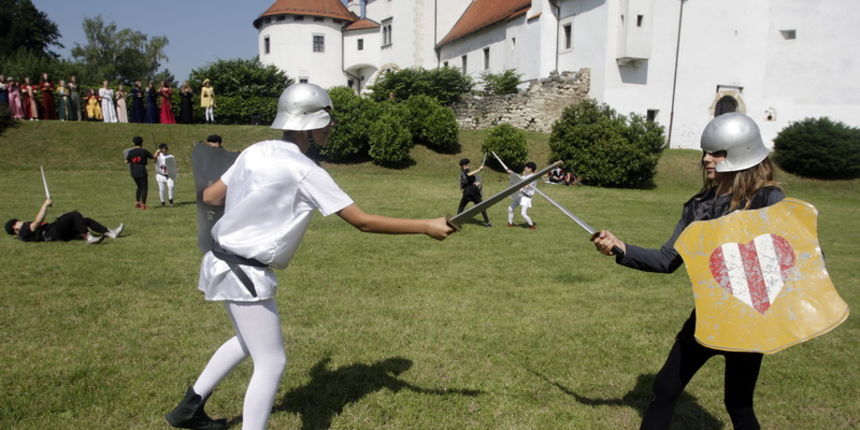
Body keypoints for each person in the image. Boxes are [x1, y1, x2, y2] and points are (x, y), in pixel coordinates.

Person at [164, 83, 454, 430]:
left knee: (247, 341)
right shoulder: (306, 171)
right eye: (326, 119)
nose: (331, 126)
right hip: (245, 272)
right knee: (271, 361)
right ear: (310, 125)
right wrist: (426, 225)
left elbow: (211, 197)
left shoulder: (256, 151)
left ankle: (188, 409)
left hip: (222, 260)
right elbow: (362, 222)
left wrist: (254, 199)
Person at [592, 113, 782, 430]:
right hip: (708, 316)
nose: (707, 158)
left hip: (749, 321)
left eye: (717, 152)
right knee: (665, 388)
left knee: (738, 403)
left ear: (743, 152)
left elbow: (787, 256)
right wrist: (620, 247)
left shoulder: (767, 199)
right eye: (706, 152)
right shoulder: (698, 204)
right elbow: (668, 259)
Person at [5, 198, 123, 244]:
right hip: (53, 234)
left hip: (55, 231)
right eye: (17, 221)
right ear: (14, 227)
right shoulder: (22, 232)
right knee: (74, 215)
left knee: (84, 220)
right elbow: (36, 223)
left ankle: (110, 233)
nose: (20, 221)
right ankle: (88, 237)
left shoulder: (23, 231)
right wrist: (45, 205)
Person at [457, 158, 491, 227]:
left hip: (466, 192)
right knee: (481, 207)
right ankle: (487, 222)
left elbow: (467, 182)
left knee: (461, 207)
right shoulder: (466, 171)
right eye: (468, 164)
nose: (469, 165)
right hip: (473, 192)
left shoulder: (462, 173)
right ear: (464, 165)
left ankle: (457, 222)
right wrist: (479, 169)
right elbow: (469, 174)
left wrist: (475, 183)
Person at [126, 136, 155, 209]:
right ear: (142, 143)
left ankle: (137, 202)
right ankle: (143, 204)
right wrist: (157, 152)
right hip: (141, 170)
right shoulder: (144, 151)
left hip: (133, 170)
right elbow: (153, 157)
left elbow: (127, 161)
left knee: (139, 186)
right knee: (144, 187)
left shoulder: (131, 151)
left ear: (133, 143)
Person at [506, 161, 538, 229]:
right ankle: (510, 223)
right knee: (510, 208)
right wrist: (512, 173)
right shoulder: (525, 176)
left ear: (530, 169)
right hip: (520, 196)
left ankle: (531, 225)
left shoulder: (533, 177)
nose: (525, 168)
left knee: (523, 213)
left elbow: (527, 185)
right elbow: (519, 179)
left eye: (526, 167)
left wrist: (521, 187)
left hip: (526, 197)